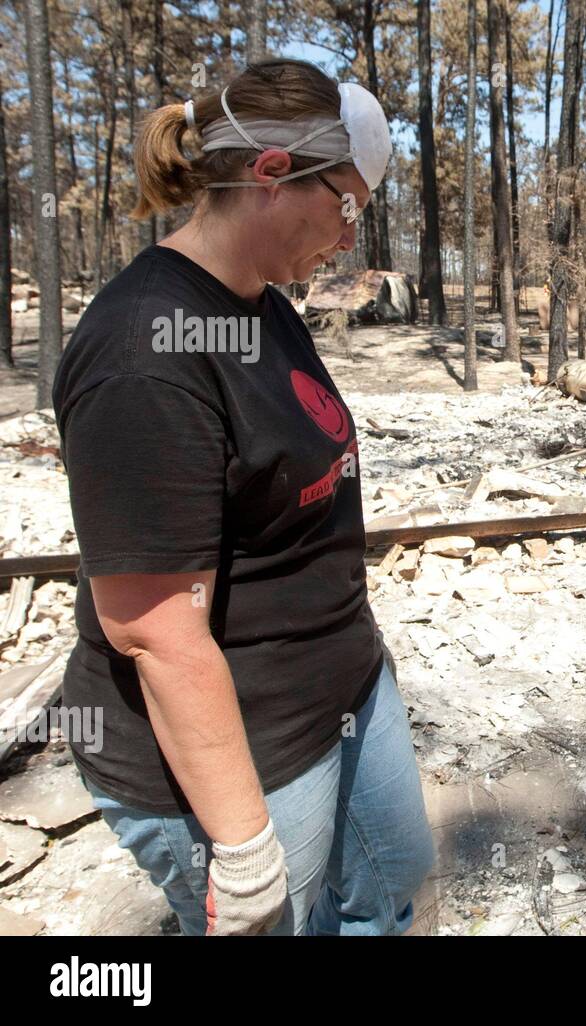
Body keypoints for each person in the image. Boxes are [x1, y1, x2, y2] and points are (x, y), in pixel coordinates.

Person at [51, 58, 435, 936]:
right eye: (347, 208)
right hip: (240, 749)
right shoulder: (143, 351)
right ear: (271, 173)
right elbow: (153, 627)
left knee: (394, 878)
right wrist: (245, 842)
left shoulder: (260, 302)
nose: (349, 240)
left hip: (339, 687)